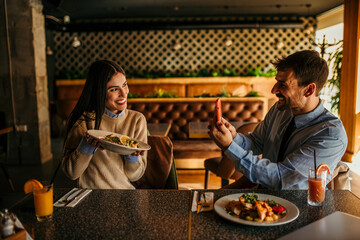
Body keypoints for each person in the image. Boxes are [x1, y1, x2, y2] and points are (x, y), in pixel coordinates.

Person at [208, 50, 347, 190]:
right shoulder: (280, 110)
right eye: (276, 82)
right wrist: (233, 137)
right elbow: (256, 142)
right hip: (264, 200)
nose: (274, 90)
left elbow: (281, 178)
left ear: (309, 90)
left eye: (283, 84)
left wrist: (229, 146)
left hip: (300, 207)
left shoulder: (330, 135)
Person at [61, 60, 147, 189]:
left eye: (124, 85)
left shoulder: (137, 120)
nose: (124, 94)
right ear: (99, 92)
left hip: (125, 193)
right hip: (90, 195)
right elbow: (71, 173)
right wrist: (86, 147)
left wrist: (132, 157)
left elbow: (135, 176)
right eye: (114, 89)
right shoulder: (83, 121)